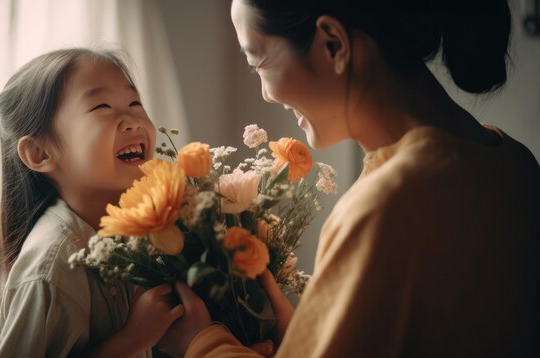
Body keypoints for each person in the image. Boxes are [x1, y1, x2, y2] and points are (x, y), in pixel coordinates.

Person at [157, 0, 540, 356]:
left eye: (259, 63)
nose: (266, 95)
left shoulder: (386, 206)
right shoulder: (515, 162)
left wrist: (203, 343)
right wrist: (309, 333)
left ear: (333, 45)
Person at [0, 47, 183, 357]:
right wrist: (132, 340)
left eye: (134, 102)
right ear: (40, 154)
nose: (132, 120)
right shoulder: (51, 267)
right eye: (102, 106)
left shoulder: (141, 233)